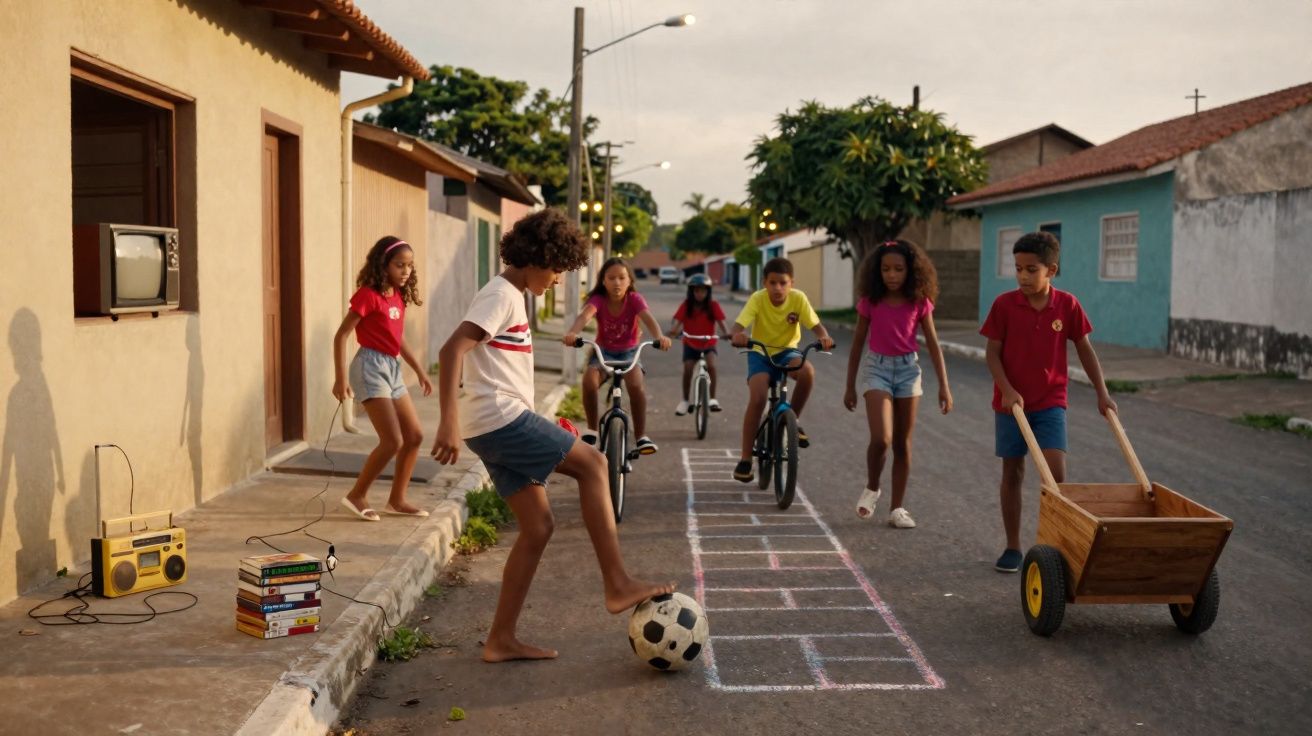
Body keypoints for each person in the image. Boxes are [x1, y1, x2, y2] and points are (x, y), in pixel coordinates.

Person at [430, 209, 674, 662]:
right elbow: (451, 349)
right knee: (595, 463)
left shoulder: (511, 295)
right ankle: (617, 582)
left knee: (538, 526)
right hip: (497, 419)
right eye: (557, 269)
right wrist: (446, 421)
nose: (558, 280)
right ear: (535, 258)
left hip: (496, 422)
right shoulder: (501, 295)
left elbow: (496, 367)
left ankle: (500, 639)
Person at [981, 231, 1116, 573]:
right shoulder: (1005, 305)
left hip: (1050, 403)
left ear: (1051, 270)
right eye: (1018, 269)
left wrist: (1103, 393)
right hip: (1010, 405)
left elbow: (1085, 349)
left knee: (1056, 475)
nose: (1023, 276)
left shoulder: (1067, 305)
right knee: (1013, 471)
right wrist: (1007, 389)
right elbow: (992, 354)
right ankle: (1013, 546)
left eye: (1031, 269)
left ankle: (1057, 547)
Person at [843, 240, 952, 528]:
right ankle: (872, 486)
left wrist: (944, 386)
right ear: (877, 272)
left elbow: (933, 344)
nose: (892, 275)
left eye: (898, 269)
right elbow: (856, 345)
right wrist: (850, 386)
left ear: (911, 271)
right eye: (886, 269)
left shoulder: (919, 302)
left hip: (908, 371)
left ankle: (897, 509)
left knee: (902, 443)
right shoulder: (871, 301)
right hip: (876, 368)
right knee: (882, 439)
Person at [332, 236, 433, 522]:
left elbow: (397, 339)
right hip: (368, 367)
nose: (405, 271)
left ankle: (397, 500)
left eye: (409, 266)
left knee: (414, 436)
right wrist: (340, 379)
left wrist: (420, 371)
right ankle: (356, 495)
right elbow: (341, 335)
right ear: (383, 264)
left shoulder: (398, 296)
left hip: (392, 368)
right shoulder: (368, 294)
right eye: (399, 265)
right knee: (392, 441)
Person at [729, 257, 834, 482]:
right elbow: (739, 325)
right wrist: (737, 335)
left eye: (783, 283)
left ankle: (793, 420)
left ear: (791, 283)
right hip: (759, 352)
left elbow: (816, 326)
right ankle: (746, 459)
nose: (778, 288)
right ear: (764, 283)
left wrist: (824, 337)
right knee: (758, 398)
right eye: (773, 283)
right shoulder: (757, 299)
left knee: (807, 372)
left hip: (787, 352)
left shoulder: (798, 299)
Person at [562, 257, 671, 454]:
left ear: (630, 281)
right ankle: (592, 430)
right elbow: (585, 316)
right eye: (611, 278)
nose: (617, 282)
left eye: (622, 277)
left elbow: (649, 319)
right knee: (588, 381)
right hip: (603, 351)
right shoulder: (598, 299)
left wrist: (659, 337)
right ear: (603, 281)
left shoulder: (635, 300)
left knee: (636, 386)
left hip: (630, 353)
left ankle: (640, 436)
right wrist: (573, 333)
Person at [669, 273, 729, 416]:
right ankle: (684, 400)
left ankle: (713, 399)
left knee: (712, 366)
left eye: (703, 290)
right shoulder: (686, 305)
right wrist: (673, 332)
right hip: (690, 342)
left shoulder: (713, 305)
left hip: (708, 342)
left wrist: (727, 333)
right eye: (697, 290)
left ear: (708, 292)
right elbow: (676, 323)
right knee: (688, 368)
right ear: (691, 291)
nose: (700, 294)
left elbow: (722, 323)